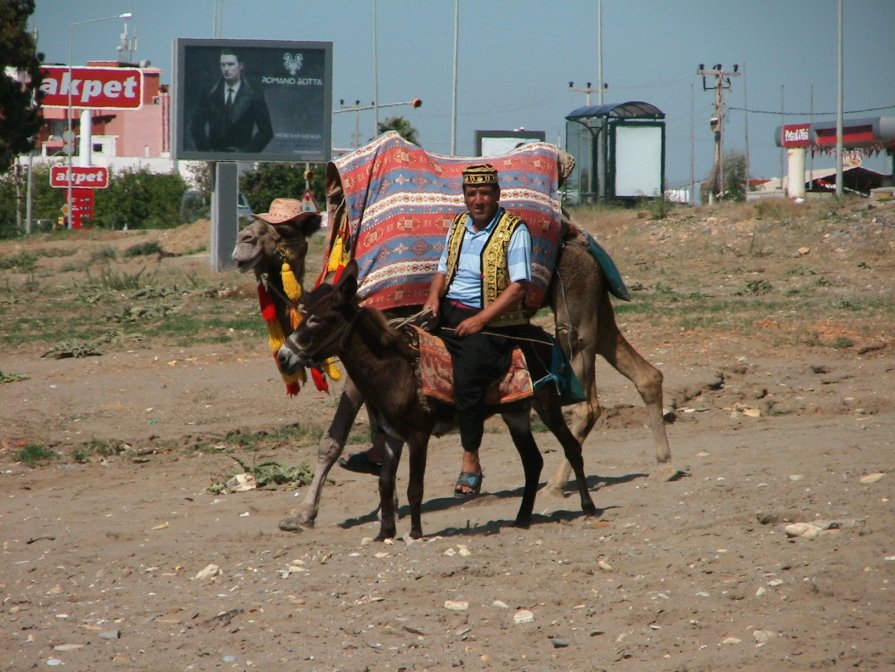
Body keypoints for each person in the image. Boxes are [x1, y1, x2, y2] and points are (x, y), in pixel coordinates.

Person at [339, 164, 533, 498]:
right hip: (449, 311)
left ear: (497, 194)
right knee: (399, 357)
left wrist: (481, 320)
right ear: (465, 197)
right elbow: (443, 270)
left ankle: (471, 459)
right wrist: (431, 299)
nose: (478, 200)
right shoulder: (459, 225)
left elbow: (518, 287)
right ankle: (380, 447)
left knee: (468, 377)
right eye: (472, 194)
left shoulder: (514, 231)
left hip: (492, 323)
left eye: (485, 193)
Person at [190, 48, 273, 153]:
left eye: (230, 64)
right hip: (215, 156)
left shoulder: (254, 94)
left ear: (241, 66)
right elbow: (196, 126)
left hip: (241, 158)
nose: (226, 69)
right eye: (223, 65)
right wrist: (206, 151)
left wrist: (246, 153)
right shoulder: (210, 93)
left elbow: (266, 131)